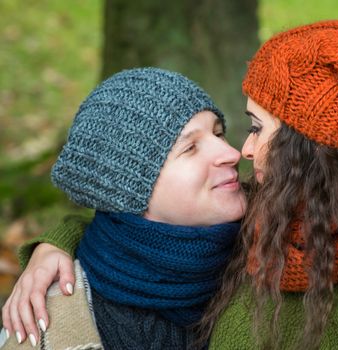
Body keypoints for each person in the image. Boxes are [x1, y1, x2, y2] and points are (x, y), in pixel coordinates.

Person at [3, 20, 338, 349]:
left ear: (314, 150)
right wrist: (55, 246)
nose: (240, 150)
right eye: (190, 147)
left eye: (250, 128)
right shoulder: (268, 221)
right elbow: (126, 214)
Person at [0, 67, 246, 349]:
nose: (231, 153)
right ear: (128, 192)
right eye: (190, 148)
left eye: (219, 133)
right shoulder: (49, 324)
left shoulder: (275, 247)